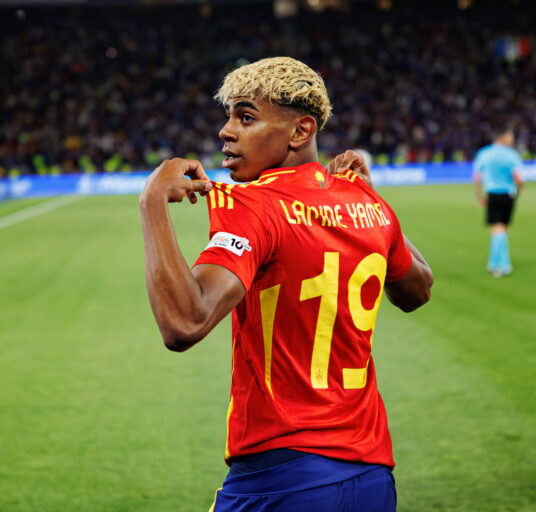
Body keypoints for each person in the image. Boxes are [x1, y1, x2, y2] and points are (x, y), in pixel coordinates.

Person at [139, 57, 433, 511]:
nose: (226, 131)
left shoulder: (252, 204)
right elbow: (418, 289)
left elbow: (184, 322)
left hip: (281, 477)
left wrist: (152, 201)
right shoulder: (364, 199)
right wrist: (371, 196)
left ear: (300, 131)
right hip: (372, 477)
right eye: (229, 116)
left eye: (246, 117)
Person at [473, 126, 524, 277]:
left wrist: (479, 196)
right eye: (510, 136)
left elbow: (477, 177)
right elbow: (517, 177)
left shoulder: (484, 153)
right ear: (502, 137)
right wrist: (521, 188)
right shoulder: (512, 155)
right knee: (501, 228)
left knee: (497, 228)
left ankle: (495, 263)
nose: (512, 139)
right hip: (508, 194)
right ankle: (502, 265)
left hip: (492, 194)